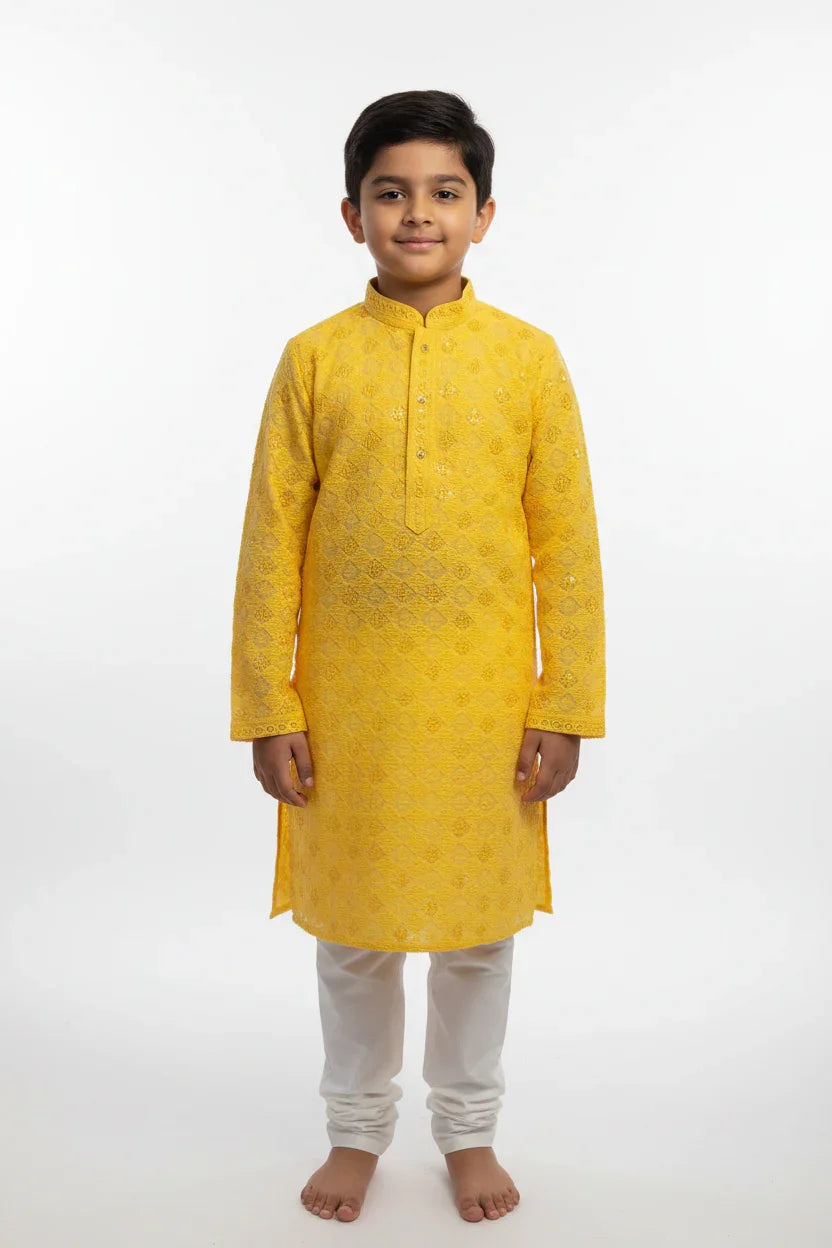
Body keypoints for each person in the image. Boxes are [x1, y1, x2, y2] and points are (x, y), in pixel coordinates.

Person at [229, 89, 606, 1224]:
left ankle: (467, 1132)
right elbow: (270, 544)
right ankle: (355, 1132)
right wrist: (269, 706)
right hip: (349, 708)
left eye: (445, 192)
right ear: (353, 215)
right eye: (390, 193)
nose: (418, 214)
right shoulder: (313, 361)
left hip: (485, 708)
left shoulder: (528, 360)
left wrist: (565, 701)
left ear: (484, 214)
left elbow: (567, 547)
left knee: (477, 938)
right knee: (353, 938)